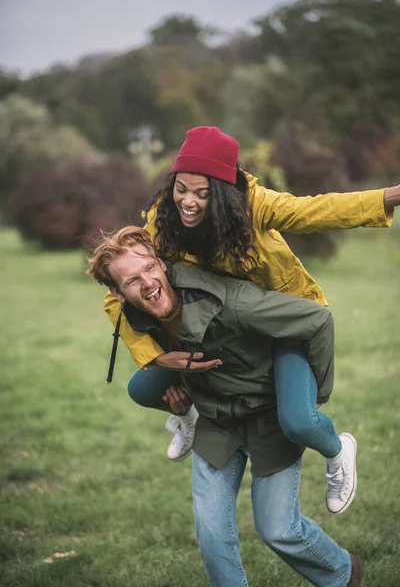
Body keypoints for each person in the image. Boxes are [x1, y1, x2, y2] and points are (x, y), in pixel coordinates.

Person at [104, 126, 399, 511]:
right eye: (181, 188)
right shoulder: (164, 218)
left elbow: (318, 210)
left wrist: (391, 195)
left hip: (280, 321)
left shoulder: (253, 205)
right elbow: (117, 290)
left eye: (201, 193)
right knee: (143, 388)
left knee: (298, 421)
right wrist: (157, 356)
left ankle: (337, 449)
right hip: (219, 326)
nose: (188, 202)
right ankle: (186, 416)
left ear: (222, 193)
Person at [86, 225, 363, 587]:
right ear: (118, 294)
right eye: (132, 281)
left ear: (162, 264)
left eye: (150, 269)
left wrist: (311, 400)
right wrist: (182, 400)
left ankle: (343, 573)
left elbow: (317, 319)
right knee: (214, 540)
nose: (147, 283)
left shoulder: (231, 301)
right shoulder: (136, 317)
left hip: (268, 417)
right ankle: (186, 417)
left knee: (279, 530)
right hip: (217, 420)